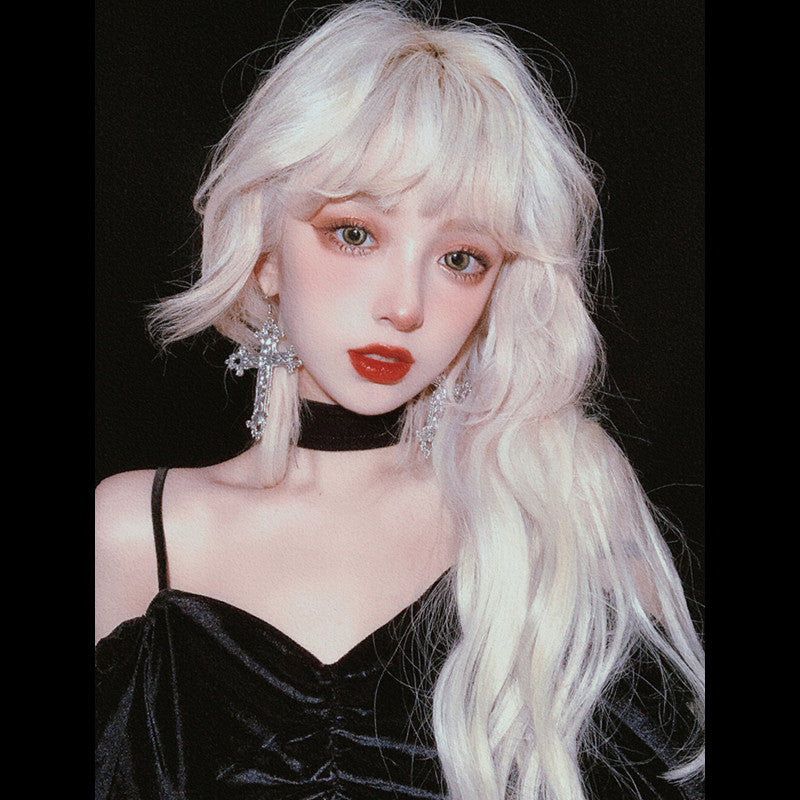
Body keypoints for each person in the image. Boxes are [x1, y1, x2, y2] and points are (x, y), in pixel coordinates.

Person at [94, 2, 705, 798]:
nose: (405, 305)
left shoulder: (558, 504)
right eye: (355, 233)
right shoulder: (133, 532)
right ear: (267, 255)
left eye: (460, 257)